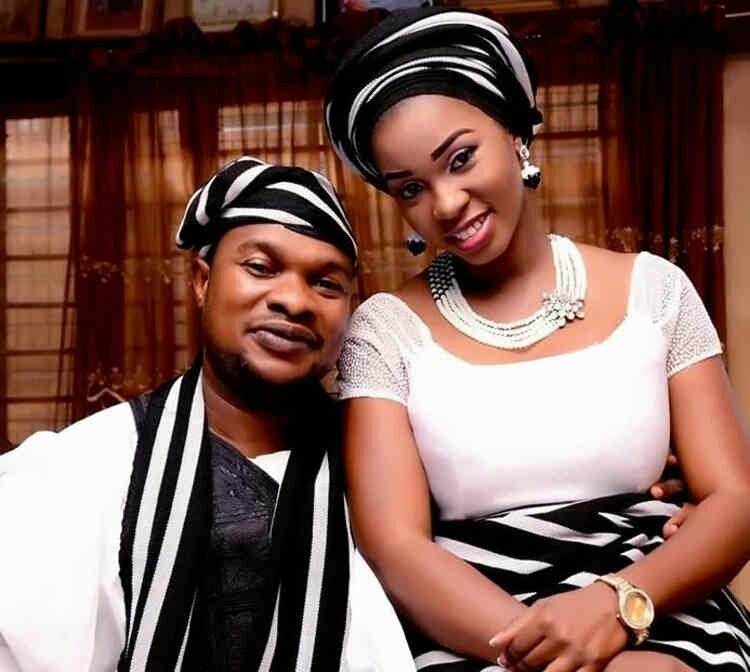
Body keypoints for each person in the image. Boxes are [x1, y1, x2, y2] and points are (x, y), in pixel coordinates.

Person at [325, 7, 750, 671]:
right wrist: (548, 650)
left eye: (461, 158)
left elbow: (735, 502)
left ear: (516, 132)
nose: (446, 203)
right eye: (411, 188)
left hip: (653, 609)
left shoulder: (656, 292)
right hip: (473, 630)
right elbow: (394, 546)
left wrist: (614, 606)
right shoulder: (385, 329)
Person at [0, 156, 412, 672]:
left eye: (326, 284)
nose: (294, 300)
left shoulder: (386, 464)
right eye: (261, 267)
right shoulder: (88, 467)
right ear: (201, 280)